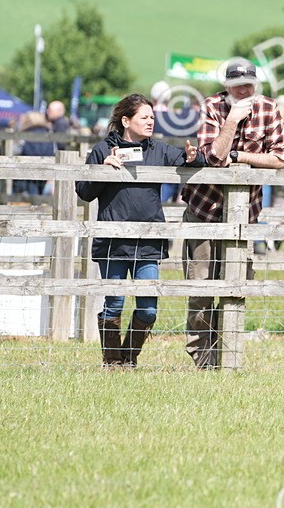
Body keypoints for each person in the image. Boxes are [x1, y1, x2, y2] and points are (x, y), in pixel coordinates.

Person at [75, 94, 203, 367]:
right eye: (144, 117)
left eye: (152, 118)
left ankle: (128, 357)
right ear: (125, 120)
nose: (150, 122)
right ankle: (113, 363)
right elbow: (84, 192)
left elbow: (190, 159)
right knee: (114, 303)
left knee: (148, 308)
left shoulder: (158, 149)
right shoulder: (102, 149)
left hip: (149, 240)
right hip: (113, 241)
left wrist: (192, 157)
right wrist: (102, 170)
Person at [181, 58, 284, 369]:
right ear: (226, 87)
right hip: (205, 208)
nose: (245, 90)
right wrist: (233, 120)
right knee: (201, 286)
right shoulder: (212, 106)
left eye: (250, 84)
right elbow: (214, 157)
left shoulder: (269, 108)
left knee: (237, 284)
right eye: (238, 85)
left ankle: (229, 355)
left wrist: (240, 156)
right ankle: (203, 358)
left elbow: (280, 158)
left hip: (245, 214)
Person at [14, 110, 56, 196]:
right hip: (46, 169)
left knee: (31, 197)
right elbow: (53, 150)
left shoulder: (25, 133)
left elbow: (18, 150)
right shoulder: (49, 133)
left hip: (28, 170)